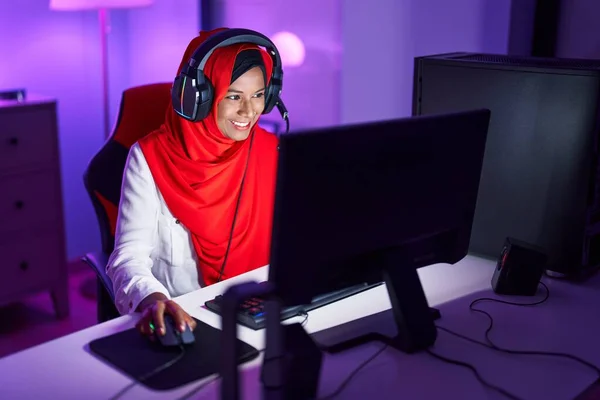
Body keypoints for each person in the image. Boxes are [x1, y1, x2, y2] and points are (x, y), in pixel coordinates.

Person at [106, 28, 280, 339]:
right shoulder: (148, 158)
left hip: (260, 313)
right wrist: (152, 299)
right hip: (188, 319)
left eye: (257, 96)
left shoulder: (270, 151)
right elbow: (128, 257)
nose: (248, 111)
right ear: (198, 97)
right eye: (234, 96)